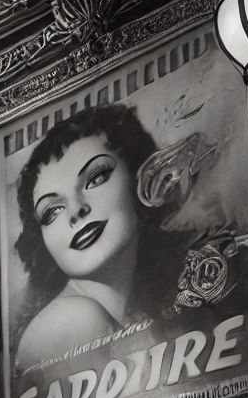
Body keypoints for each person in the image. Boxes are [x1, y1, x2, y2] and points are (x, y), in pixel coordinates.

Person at [12, 103, 188, 374]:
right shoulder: (71, 322)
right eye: (52, 210)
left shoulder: (147, 299)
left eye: (95, 178)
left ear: (141, 178)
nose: (75, 211)